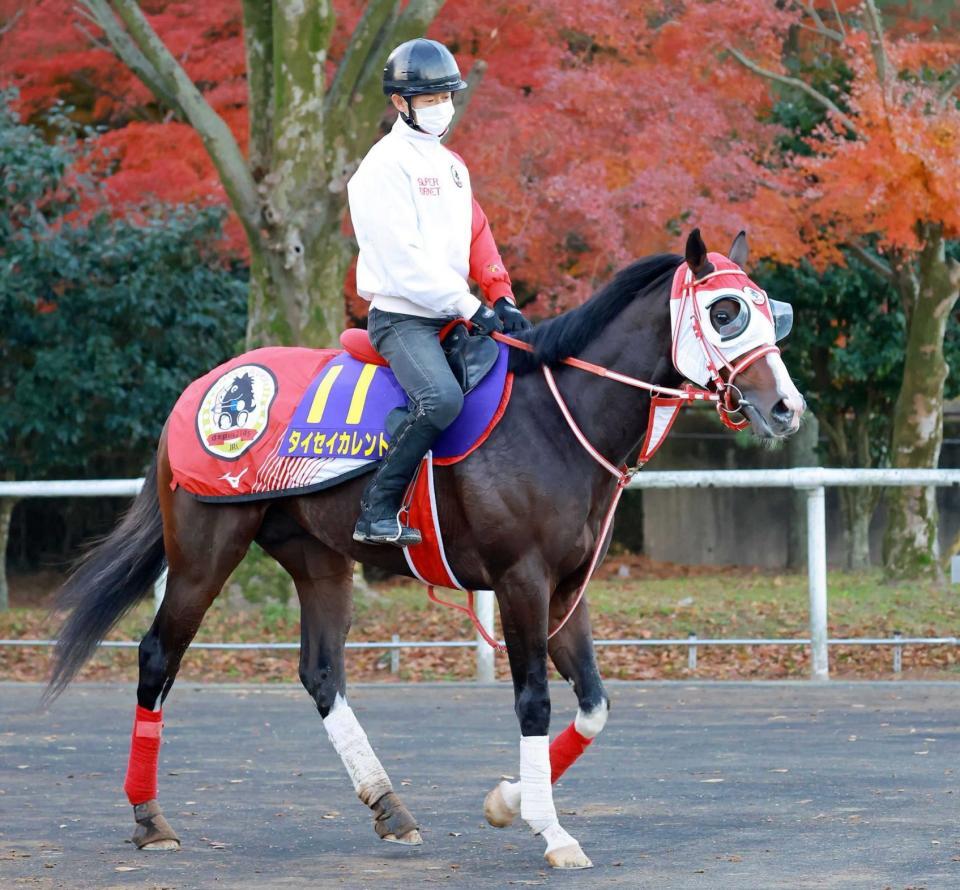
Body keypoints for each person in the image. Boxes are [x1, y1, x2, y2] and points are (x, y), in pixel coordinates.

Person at [347, 37, 531, 547]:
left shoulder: (452, 165)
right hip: (403, 319)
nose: (440, 108)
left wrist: (500, 295)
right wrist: (469, 304)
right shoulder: (380, 169)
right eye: (428, 100)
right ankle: (376, 510)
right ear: (400, 104)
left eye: (446, 97)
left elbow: (476, 231)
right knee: (440, 399)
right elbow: (405, 262)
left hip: (454, 313)